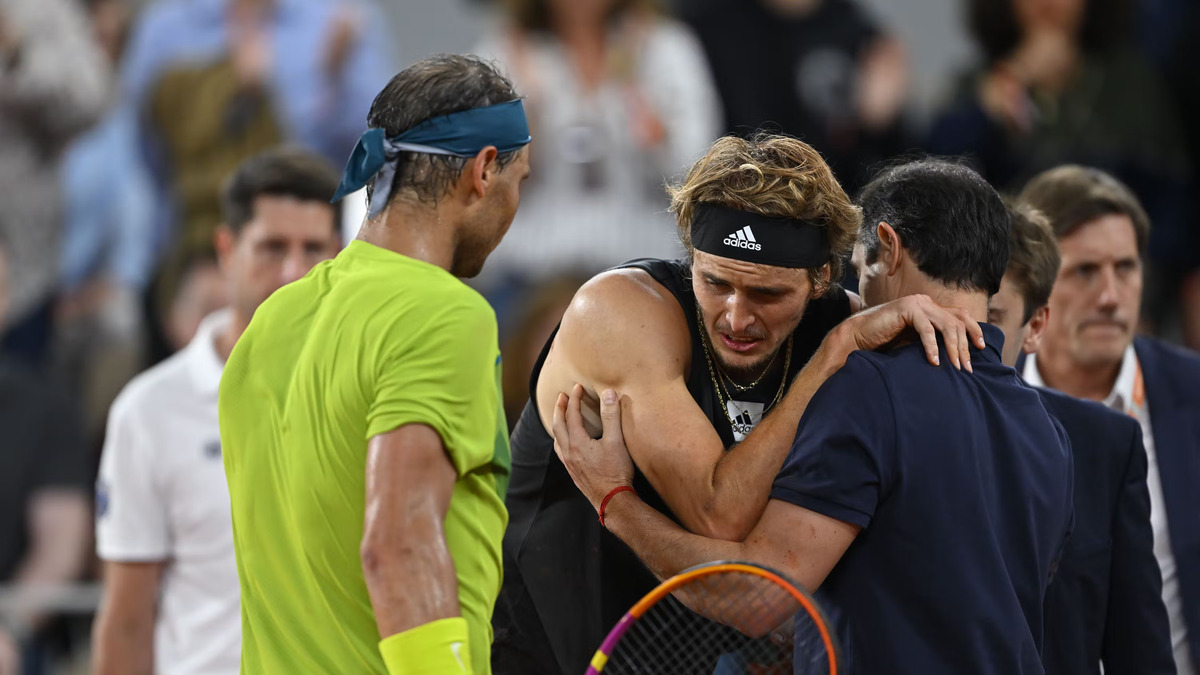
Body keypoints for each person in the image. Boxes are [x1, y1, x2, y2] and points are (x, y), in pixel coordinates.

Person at [552, 158, 1075, 674]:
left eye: (860, 270)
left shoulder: (866, 384)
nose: (859, 300)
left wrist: (615, 502)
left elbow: (757, 596)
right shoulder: (1047, 427)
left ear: (887, 250)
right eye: (716, 284)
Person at [218, 54, 531, 675]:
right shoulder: (443, 314)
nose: (517, 205)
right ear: (485, 170)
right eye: (523, 179)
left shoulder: (272, 320)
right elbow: (398, 546)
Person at [91, 147, 342, 675]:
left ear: (338, 255)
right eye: (272, 248)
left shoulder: (369, 392)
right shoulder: (149, 411)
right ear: (227, 250)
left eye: (313, 248)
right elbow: (127, 617)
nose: (294, 270)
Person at [1018, 165, 1200, 674]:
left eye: (1126, 267)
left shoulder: (1193, 395)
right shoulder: (983, 406)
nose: (1110, 297)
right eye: (1084, 271)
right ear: (1035, 286)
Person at [988, 203, 1175, 675]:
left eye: (988, 317)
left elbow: (1140, 650)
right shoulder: (863, 421)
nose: (957, 331)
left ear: (1034, 326)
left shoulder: (1104, 445)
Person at [472, 0, 720, 314]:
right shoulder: (506, 51)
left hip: (645, 269)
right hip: (530, 275)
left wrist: (652, 129)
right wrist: (525, 117)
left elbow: (699, 175)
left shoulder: (664, 48)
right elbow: (484, 182)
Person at [680, 0, 909, 194]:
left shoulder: (855, 29)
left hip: (834, 220)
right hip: (741, 213)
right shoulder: (706, 28)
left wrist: (883, 122)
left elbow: (899, 159)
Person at [0, 0, 108, 367]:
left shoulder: (42, 10)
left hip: (22, 268)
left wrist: (16, 54)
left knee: (21, 409)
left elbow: (90, 99)